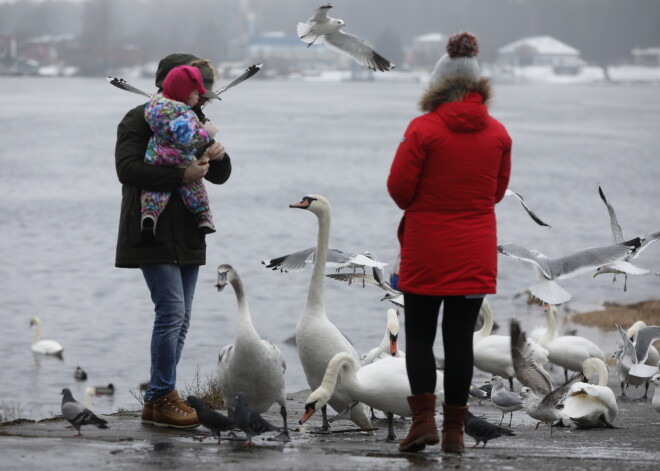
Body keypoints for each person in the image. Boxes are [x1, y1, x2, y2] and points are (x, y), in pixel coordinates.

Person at [386, 31, 511, 453]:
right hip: (475, 251)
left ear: (438, 85)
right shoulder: (498, 134)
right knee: (460, 341)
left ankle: (423, 422)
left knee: (419, 336)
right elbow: (494, 193)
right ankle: (456, 432)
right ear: (476, 88)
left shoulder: (423, 129)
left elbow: (400, 191)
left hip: (426, 249)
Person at [115, 53, 232, 429]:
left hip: (190, 234)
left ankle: (157, 402)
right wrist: (182, 174)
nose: (202, 95)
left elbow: (220, 175)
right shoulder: (138, 118)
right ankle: (163, 395)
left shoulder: (191, 116)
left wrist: (219, 153)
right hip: (151, 230)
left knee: (180, 320)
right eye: (198, 87)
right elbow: (127, 169)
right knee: (170, 314)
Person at [141, 64, 217, 240]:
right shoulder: (182, 113)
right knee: (194, 185)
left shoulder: (153, 105)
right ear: (184, 94)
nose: (199, 97)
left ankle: (150, 213)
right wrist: (207, 133)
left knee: (154, 189)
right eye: (195, 93)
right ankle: (203, 214)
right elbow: (189, 137)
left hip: (155, 153)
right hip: (178, 157)